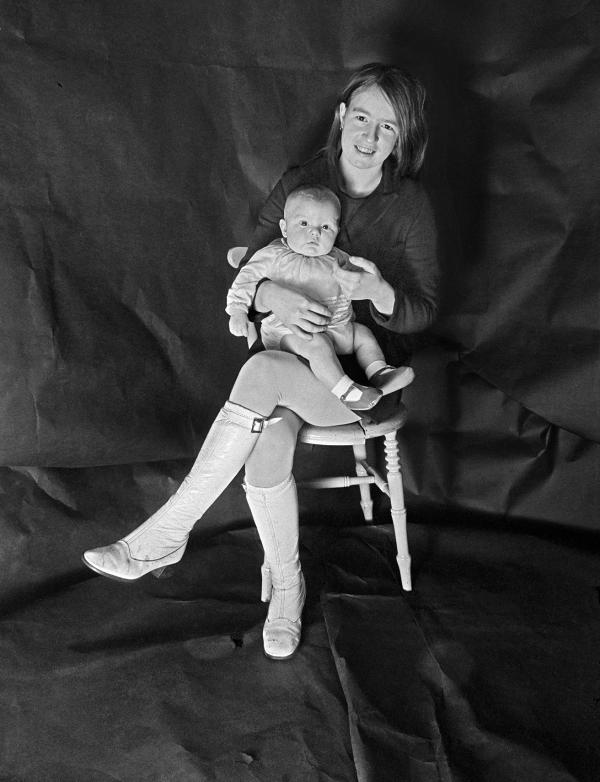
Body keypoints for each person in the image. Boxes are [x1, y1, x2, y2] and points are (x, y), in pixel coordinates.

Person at [82, 63, 439, 662]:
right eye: (361, 118)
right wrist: (272, 296)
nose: (371, 136)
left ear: (404, 138)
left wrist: (379, 295)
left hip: (363, 379)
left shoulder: (409, 206)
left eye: (389, 126)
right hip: (287, 358)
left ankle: (166, 535)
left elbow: (423, 310)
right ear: (340, 118)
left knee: (261, 378)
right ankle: (286, 590)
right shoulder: (303, 182)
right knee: (268, 431)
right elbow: (254, 264)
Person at [226, 184, 415, 411]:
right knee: (317, 343)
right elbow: (245, 279)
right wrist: (237, 310)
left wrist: (370, 282)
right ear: (284, 228)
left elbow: (361, 281)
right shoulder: (273, 255)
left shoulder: (339, 259)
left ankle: (378, 373)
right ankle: (347, 391)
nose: (314, 232)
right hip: (288, 336)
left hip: (338, 330)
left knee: (363, 334)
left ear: (336, 231)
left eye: (325, 227)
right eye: (303, 223)